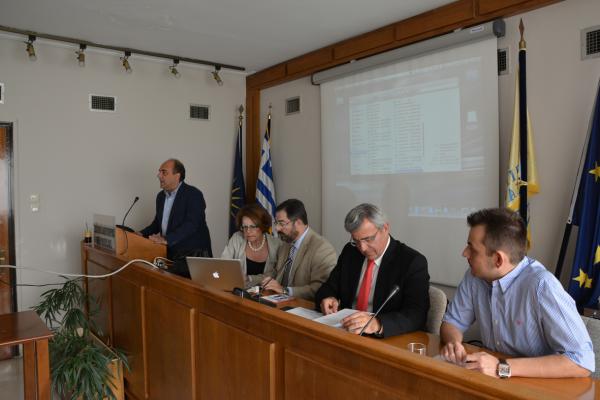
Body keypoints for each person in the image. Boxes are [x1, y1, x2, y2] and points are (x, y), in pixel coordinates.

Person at [440, 208, 594, 378]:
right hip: (490, 380)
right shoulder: (474, 276)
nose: (464, 253)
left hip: (534, 385)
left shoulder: (542, 286)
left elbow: (582, 361)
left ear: (498, 259)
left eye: (472, 249)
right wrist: (454, 343)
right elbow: (452, 322)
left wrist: (501, 367)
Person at [315, 203, 430, 337]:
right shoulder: (351, 252)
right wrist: (328, 297)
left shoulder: (411, 262)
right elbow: (329, 287)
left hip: (384, 339)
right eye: (356, 241)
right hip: (347, 332)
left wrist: (378, 323)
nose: (362, 248)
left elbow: (417, 315)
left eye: (368, 239)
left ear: (385, 228)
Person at [140, 159, 212, 278]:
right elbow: (157, 223)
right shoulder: (160, 196)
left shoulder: (193, 194)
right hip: (170, 256)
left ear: (177, 176)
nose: (159, 175)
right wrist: (140, 234)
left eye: (164, 172)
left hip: (193, 257)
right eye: (159, 172)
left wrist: (166, 239)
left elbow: (192, 224)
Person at [261, 199, 337, 301]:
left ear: (298, 222)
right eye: (276, 223)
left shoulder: (322, 248)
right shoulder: (285, 244)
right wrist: (265, 281)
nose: (277, 228)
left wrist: (285, 291)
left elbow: (320, 289)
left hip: (303, 306)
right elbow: (273, 272)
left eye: (281, 223)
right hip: (277, 302)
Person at [221, 203, 281, 286]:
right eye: (245, 227)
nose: (248, 231)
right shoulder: (237, 238)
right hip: (237, 289)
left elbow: (275, 274)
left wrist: (250, 278)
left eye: (253, 226)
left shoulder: (277, 244)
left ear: (263, 226)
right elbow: (223, 265)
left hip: (266, 291)